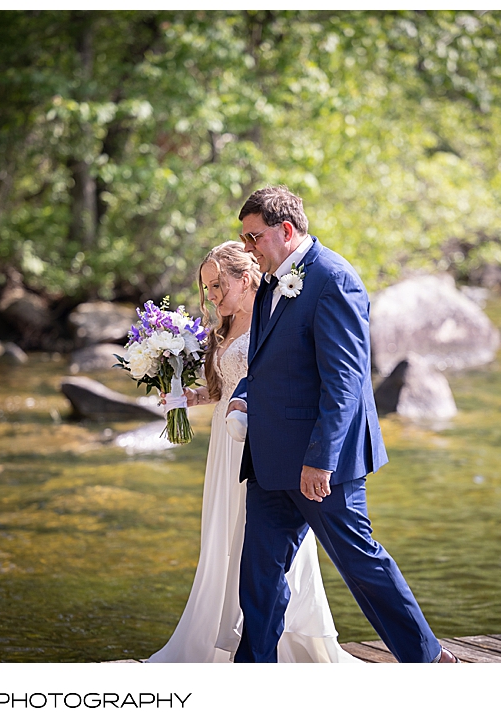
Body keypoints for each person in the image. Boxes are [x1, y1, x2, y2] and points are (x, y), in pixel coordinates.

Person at [228, 186, 459, 663]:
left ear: (286, 230)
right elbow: (267, 364)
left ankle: (428, 659)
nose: (248, 249)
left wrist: (320, 461)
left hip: (320, 464)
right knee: (258, 575)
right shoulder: (273, 278)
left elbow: (346, 382)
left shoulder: (334, 279)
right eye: (244, 239)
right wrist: (243, 397)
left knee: (360, 564)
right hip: (271, 459)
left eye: (254, 238)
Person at [148, 241, 360, 663]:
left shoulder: (273, 316)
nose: (210, 296)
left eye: (216, 285)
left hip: (266, 447)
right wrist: (190, 396)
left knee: (263, 544)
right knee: (227, 537)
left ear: (244, 279)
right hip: (225, 449)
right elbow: (225, 388)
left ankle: (280, 642)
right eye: (206, 288)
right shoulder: (222, 329)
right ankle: (223, 633)